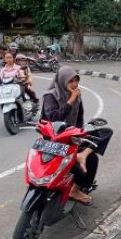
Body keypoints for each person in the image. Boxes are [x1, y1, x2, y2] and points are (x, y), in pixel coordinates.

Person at [41, 66, 98, 205]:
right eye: (70, 81)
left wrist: (79, 135)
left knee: (100, 137)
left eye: (76, 80)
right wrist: (71, 100)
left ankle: (76, 187)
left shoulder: (77, 95)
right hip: (53, 139)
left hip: (71, 136)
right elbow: (53, 118)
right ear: (61, 81)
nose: (74, 84)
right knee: (90, 159)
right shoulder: (51, 96)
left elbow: (79, 117)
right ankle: (74, 186)